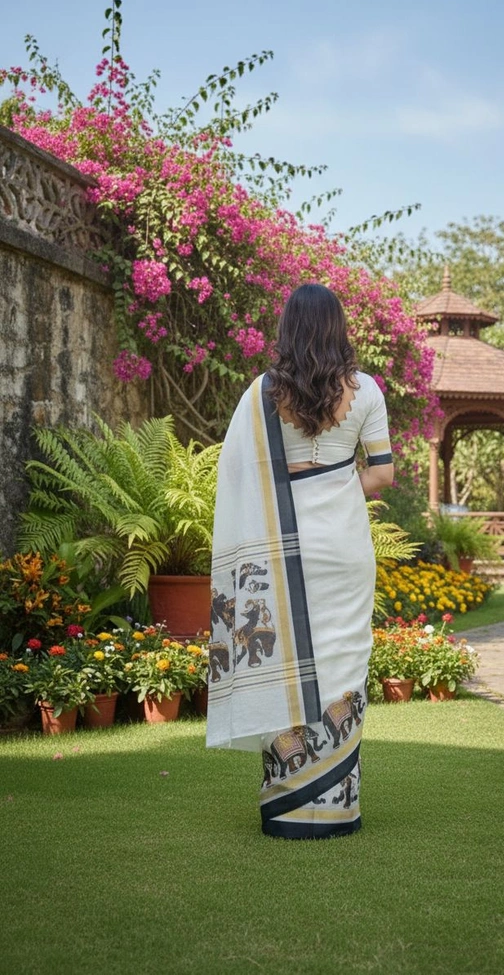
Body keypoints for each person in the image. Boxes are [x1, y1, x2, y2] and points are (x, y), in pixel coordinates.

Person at [206, 283, 394, 839]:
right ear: (338, 327)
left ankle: (288, 803)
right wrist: (338, 481)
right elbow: (382, 474)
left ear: (288, 328)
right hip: (342, 546)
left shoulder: (263, 393)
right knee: (342, 654)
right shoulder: (367, 392)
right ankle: (336, 804)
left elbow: (237, 477)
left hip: (276, 547)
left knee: (282, 657)